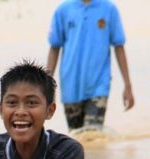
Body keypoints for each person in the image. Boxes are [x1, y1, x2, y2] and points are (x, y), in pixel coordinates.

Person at [45, 0, 134, 132]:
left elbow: (119, 46)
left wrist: (127, 86)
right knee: (75, 138)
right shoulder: (63, 10)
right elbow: (54, 48)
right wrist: (47, 85)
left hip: (99, 86)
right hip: (70, 86)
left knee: (92, 134)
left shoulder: (109, 9)